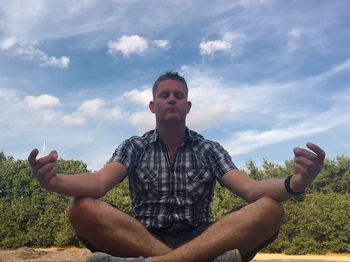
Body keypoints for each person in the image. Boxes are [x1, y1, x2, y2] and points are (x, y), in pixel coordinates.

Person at [28, 71, 325, 262]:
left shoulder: (209, 149)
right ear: (153, 106)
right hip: (141, 237)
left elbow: (251, 189)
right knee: (80, 208)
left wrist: (295, 183)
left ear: (188, 106)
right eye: (164, 95)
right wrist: (54, 181)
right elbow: (97, 183)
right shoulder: (133, 146)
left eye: (178, 95)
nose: (172, 99)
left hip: (202, 237)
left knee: (270, 209)